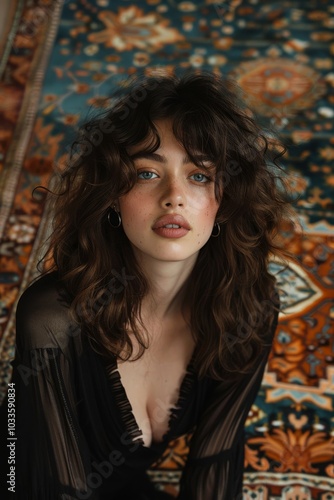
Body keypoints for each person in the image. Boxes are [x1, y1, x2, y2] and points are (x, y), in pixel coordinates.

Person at [12, 72, 292, 499]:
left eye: (199, 176)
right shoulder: (52, 317)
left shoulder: (248, 307)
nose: (174, 196)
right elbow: (52, 485)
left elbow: (214, 460)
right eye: (147, 173)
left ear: (226, 200)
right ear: (111, 195)